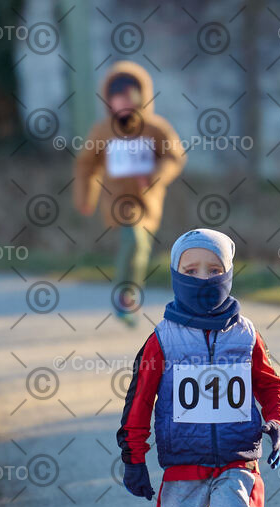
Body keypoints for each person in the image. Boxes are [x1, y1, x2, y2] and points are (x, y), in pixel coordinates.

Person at [116, 228, 280, 507]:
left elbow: (273, 388)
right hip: (183, 464)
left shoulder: (246, 334)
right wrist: (134, 458)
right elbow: (138, 401)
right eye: (191, 269)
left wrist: (278, 424)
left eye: (214, 269)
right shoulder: (163, 338)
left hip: (237, 460)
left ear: (229, 274)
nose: (203, 277)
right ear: (176, 274)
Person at [74, 61, 185, 327]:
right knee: (132, 239)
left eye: (129, 96)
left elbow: (174, 156)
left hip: (148, 200)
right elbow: (86, 164)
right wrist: (85, 196)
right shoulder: (102, 131)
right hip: (116, 202)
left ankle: (131, 293)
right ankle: (125, 296)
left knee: (141, 246)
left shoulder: (155, 128)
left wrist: (156, 176)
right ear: (109, 100)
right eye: (116, 97)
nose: (122, 102)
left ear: (141, 97)